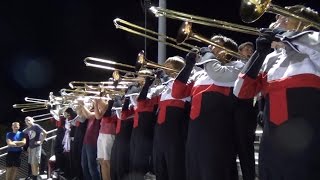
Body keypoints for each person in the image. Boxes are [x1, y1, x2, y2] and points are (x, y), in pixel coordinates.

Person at [233, 5, 320, 180]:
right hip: (271, 143)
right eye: (277, 18)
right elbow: (240, 91)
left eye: (284, 17)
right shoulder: (271, 58)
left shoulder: (314, 41)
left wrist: (287, 37)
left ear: (304, 23)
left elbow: (314, 44)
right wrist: (259, 53)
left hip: (307, 143)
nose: (277, 22)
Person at [172, 35, 244, 180]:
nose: (209, 48)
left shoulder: (237, 66)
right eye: (209, 45)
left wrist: (207, 56)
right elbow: (177, 92)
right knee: (194, 172)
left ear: (228, 50)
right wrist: (188, 66)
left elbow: (218, 75)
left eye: (214, 45)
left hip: (218, 131)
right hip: (195, 132)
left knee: (214, 172)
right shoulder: (201, 74)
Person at [150, 56, 190, 180]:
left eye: (168, 67)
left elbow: (177, 89)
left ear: (178, 70)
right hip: (160, 134)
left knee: (175, 170)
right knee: (160, 170)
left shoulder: (185, 83)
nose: (164, 69)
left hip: (175, 135)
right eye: (165, 67)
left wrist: (163, 77)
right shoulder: (165, 87)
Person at [94, 99, 117, 180]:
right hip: (102, 133)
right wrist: (96, 104)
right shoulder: (105, 105)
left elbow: (101, 115)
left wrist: (99, 101)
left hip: (109, 133)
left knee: (107, 162)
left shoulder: (112, 103)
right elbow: (97, 116)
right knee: (102, 161)